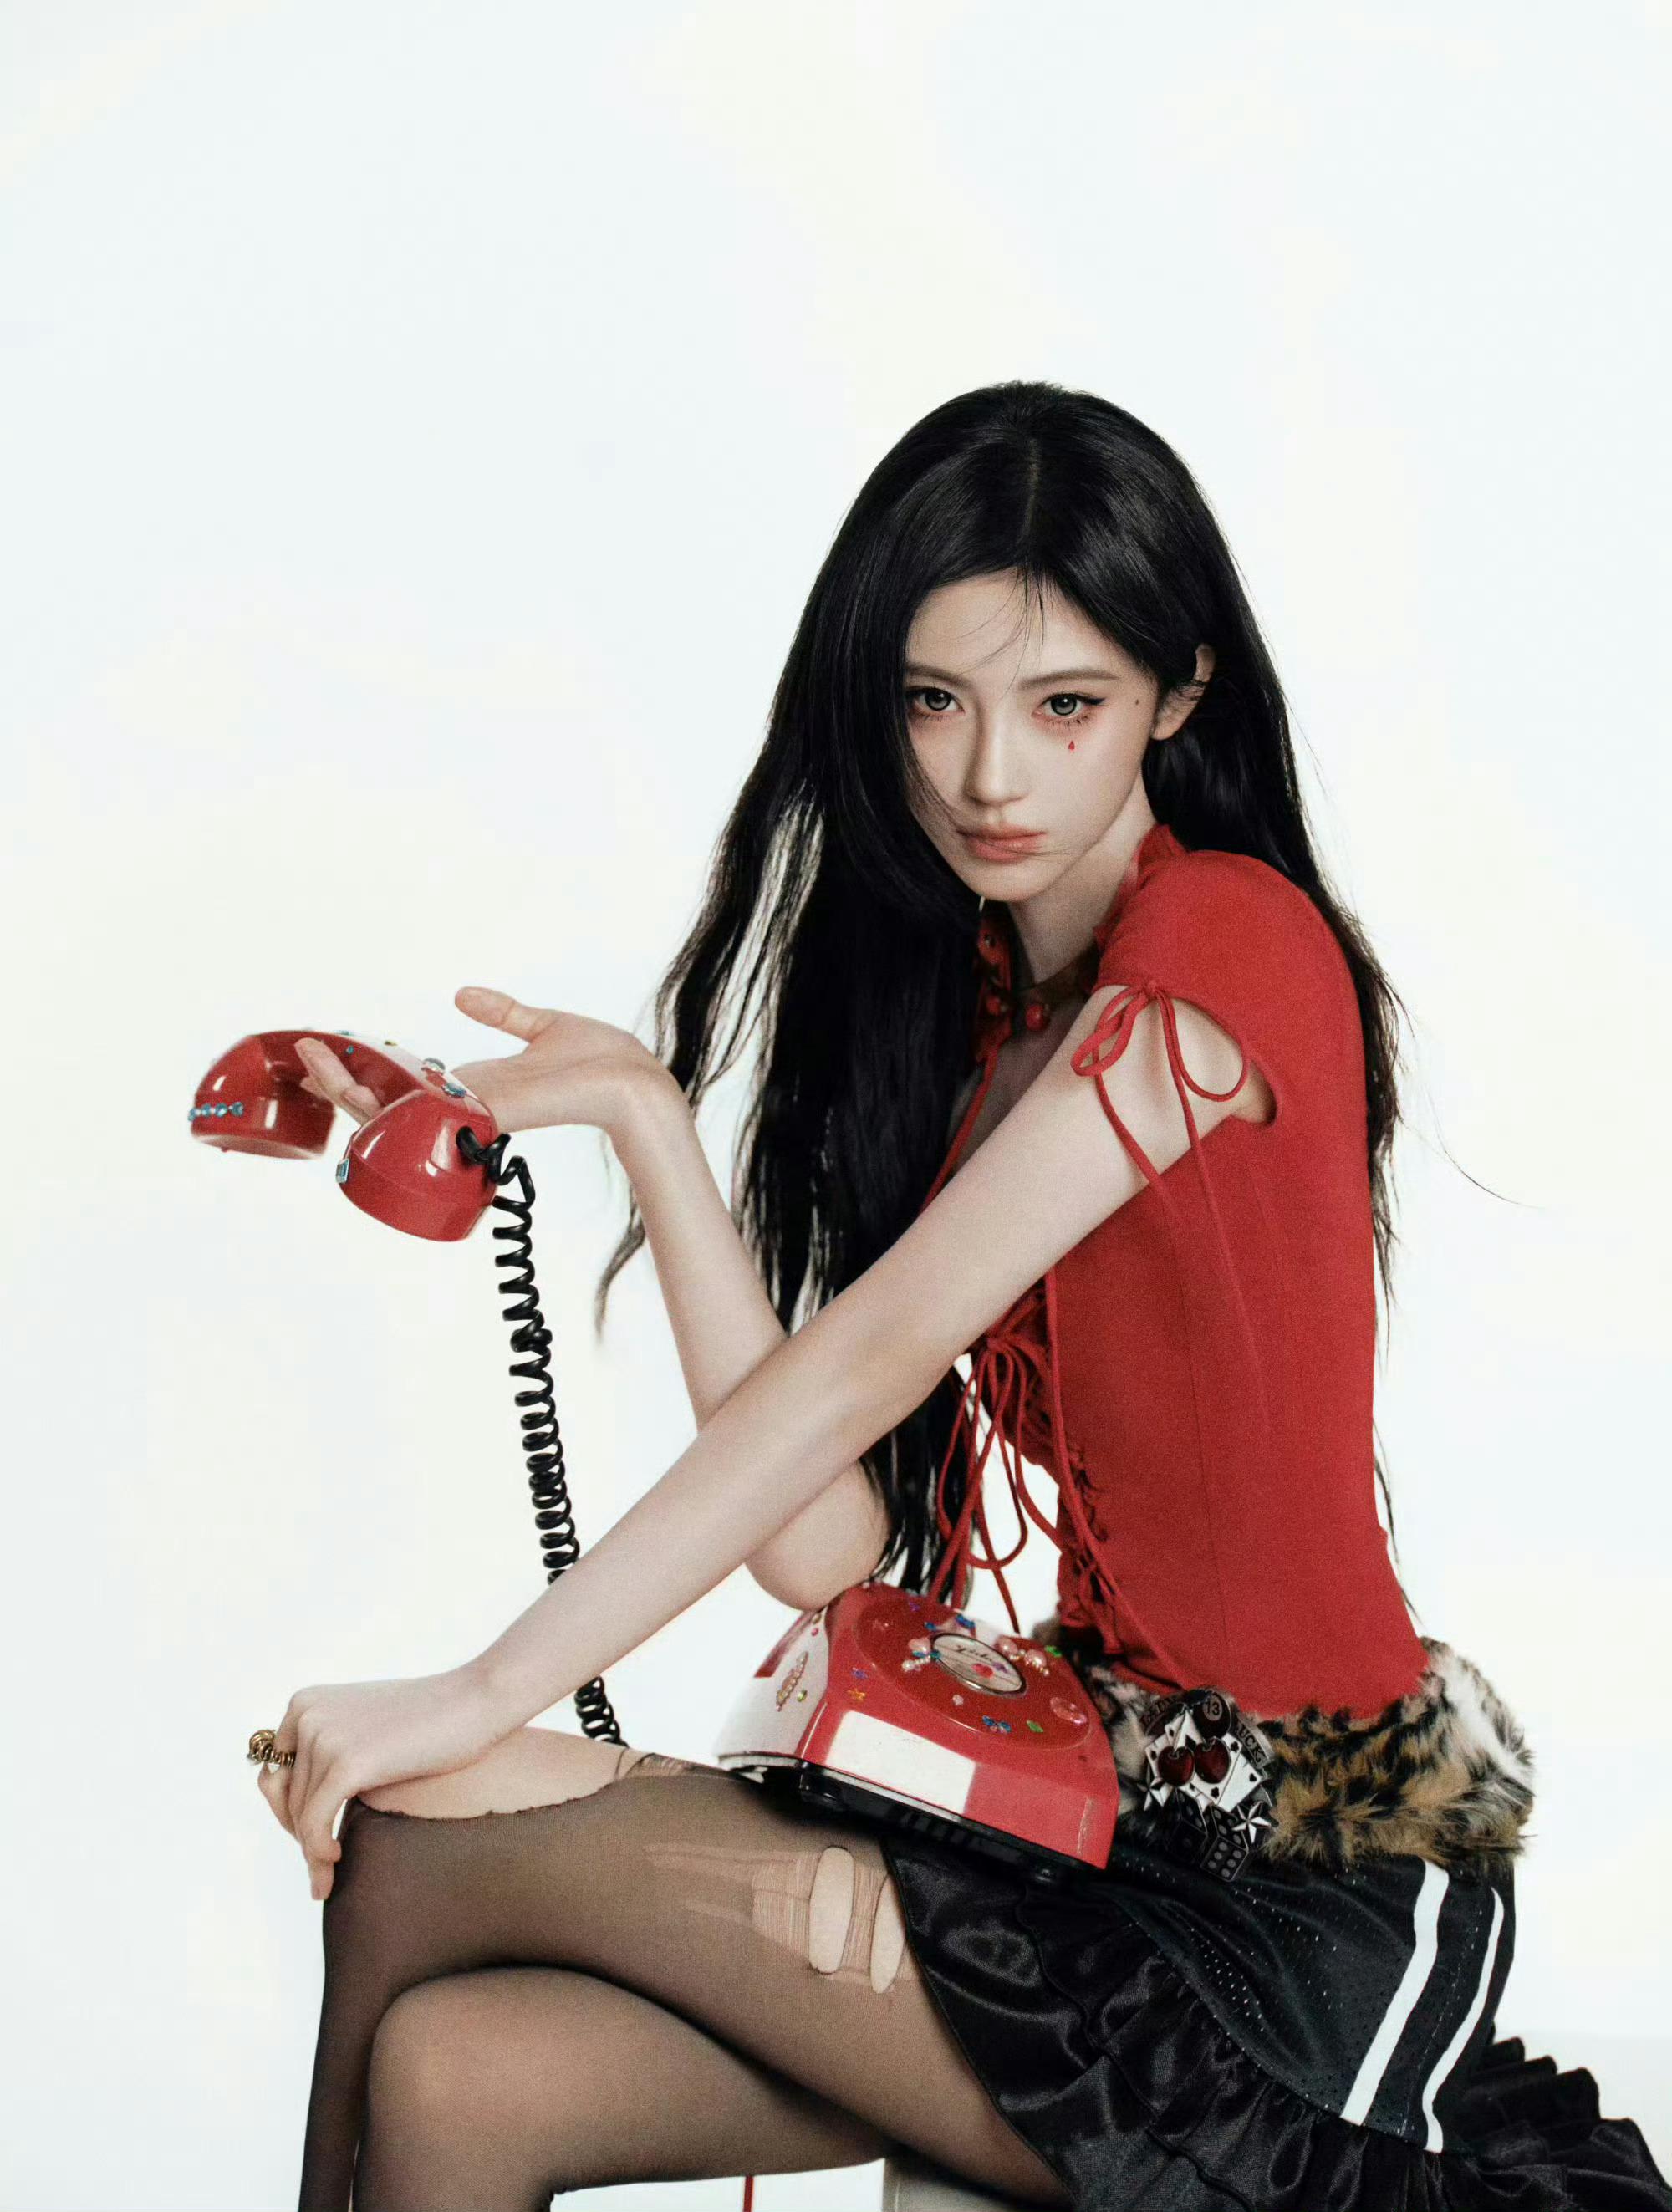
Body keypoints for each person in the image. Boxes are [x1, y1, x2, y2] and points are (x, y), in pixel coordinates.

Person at [257, 384, 1670, 2211]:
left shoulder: (1226, 946)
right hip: (1088, 1828)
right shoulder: (1000, 1028)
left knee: (412, 1825)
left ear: (1178, 693)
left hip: (1303, 1890)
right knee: (459, 2080)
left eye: (1063, 705)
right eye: (935, 701)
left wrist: (484, 1689)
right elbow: (825, 1543)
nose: (989, 776)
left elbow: (869, 1356)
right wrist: (647, 1121)